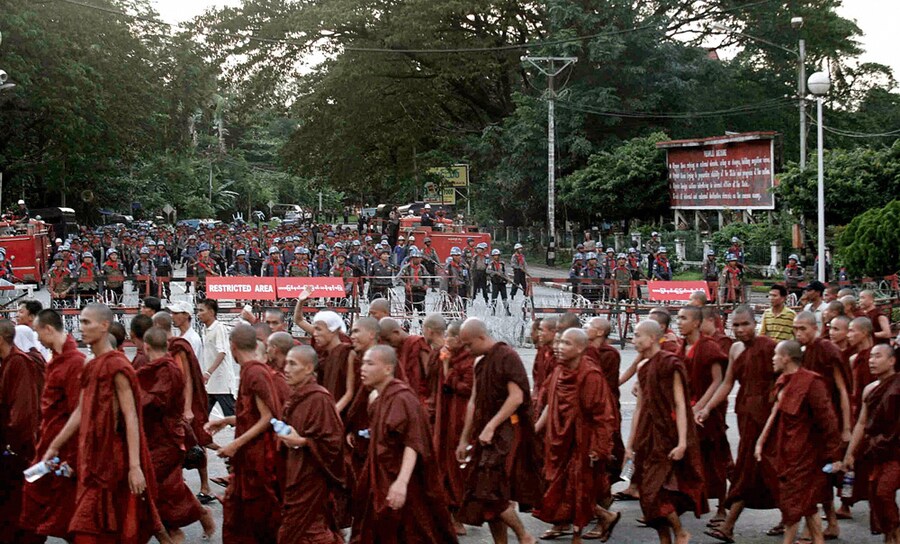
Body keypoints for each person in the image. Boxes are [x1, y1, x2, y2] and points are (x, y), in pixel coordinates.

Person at [42, 304, 170, 544]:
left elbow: (131, 416)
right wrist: (54, 446)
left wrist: (135, 466)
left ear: (104, 326)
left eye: (87, 322)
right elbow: (82, 410)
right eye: (80, 322)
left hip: (114, 460)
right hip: (93, 457)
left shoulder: (117, 366)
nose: (82, 328)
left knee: (104, 529)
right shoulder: (90, 365)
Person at [351, 345, 458, 543]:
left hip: (403, 481)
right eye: (363, 363)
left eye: (370, 363)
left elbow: (413, 442)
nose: (362, 369)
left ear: (388, 368)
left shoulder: (402, 398)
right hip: (382, 478)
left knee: (413, 532)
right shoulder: (380, 398)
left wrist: (401, 482)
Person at [696, 306, 779, 542]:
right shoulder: (734, 349)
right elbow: (727, 383)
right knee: (755, 467)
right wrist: (708, 408)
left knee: (755, 467)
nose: (741, 330)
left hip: (768, 412)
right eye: (736, 325)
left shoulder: (770, 347)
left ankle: (729, 524)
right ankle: (790, 517)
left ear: (756, 324)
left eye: (745, 324)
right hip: (746, 412)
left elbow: (782, 379)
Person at [456, 318, 541, 544]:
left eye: (468, 344)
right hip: (485, 433)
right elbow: (473, 402)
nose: (466, 350)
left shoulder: (507, 357)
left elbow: (516, 397)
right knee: (486, 493)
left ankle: (525, 536)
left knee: (491, 491)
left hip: (507, 432)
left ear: (482, 337)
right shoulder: (479, 363)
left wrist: (492, 425)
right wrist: (464, 439)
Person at [533, 328, 620, 543]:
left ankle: (588, 527)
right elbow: (550, 403)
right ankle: (586, 519)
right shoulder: (558, 371)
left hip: (582, 440)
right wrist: (536, 429)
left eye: (567, 343)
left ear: (581, 348)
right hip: (558, 439)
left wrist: (600, 448)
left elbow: (603, 416)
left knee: (577, 487)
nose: (560, 347)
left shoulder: (590, 375)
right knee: (558, 485)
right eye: (560, 342)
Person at [755, 340, 844, 544]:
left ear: (787, 358)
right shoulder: (783, 381)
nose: (773, 359)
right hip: (785, 450)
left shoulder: (812, 383)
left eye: (776, 355)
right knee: (808, 504)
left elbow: (828, 421)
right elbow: (774, 414)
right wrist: (760, 443)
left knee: (794, 503)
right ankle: (818, 541)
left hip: (806, 454)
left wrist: (835, 456)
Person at [627, 320, 707, 544]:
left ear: (652, 338)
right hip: (647, 435)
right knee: (648, 495)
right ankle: (665, 539)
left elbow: (680, 405)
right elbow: (639, 407)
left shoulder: (670, 363)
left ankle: (680, 531)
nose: (634, 340)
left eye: (637, 336)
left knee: (656, 492)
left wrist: (682, 442)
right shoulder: (643, 367)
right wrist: (630, 444)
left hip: (667, 435)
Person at [205, 324, 283, 544]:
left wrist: (236, 444)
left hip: (259, 454)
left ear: (233, 345)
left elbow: (268, 417)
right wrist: (226, 420)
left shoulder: (255, 372)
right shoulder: (252, 370)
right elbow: (254, 413)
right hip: (251, 454)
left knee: (257, 516)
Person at [138, 327, 216, 541]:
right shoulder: (154, 368)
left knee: (154, 486)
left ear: (146, 346)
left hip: (167, 438)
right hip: (154, 436)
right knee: (168, 488)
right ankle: (181, 525)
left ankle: (171, 530)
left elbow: (156, 400)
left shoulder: (168, 369)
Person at [19, 310, 83, 542]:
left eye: (38, 332)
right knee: (36, 493)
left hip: (63, 452)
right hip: (49, 447)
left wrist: (70, 455)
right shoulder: (55, 359)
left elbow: (79, 413)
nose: (37, 338)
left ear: (48, 329)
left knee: (68, 511)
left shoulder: (75, 362)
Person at [276, 345, 347, 544]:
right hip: (295, 474)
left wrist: (304, 441)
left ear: (308, 368)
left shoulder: (319, 399)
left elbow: (333, 443)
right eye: (286, 362)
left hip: (312, 478)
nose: (286, 369)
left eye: (293, 364)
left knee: (306, 534)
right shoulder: (297, 396)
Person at [793, 311, 853, 539]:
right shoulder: (801, 352)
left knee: (822, 474)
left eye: (803, 329)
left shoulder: (828, 350)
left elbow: (843, 390)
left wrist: (846, 427)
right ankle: (832, 524)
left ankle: (812, 529)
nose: (798, 334)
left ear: (815, 328)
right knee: (821, 475)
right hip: (810, 423)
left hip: (831, 421)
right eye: (795, 329)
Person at [676, 306, 731, 523]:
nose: (679, 322)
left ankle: (722, 508)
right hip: (686, 410)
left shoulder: (709, 347)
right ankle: (688, 500)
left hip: (707, 412)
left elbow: (718, 380)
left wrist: (700, 407)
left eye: (683, 318)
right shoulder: (682, 347)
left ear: (697, 323)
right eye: (678, 318)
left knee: (716, 460)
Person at [842, 344, 899, 543]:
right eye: (871, 357)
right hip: (876, 449)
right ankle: (889, 535)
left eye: (877, 357)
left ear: (892, 361)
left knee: (884, 492)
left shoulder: (898, 386)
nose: (871, 361)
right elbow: (862, 423)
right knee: (875, 495)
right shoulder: (870, 389)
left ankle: (896, 534)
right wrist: (850, 453)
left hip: (896, 450)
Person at [0, 318, 45, 544]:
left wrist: (10, 445)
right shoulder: (7, 362)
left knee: (19, 508)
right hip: (13, 450)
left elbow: (23, 413)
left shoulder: (19, 362)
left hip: (19, 452)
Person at [433, 320, 475, 535]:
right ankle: (447, 514)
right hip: (444, 414)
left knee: (457, 468)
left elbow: (466, 388)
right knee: (442, 462)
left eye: (449, 335)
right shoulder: (446, 354)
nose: (446, 339)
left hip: (459, 417)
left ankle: (458, 515)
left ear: (459, 339)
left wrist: (448, 369)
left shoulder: (469, 361)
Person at [379, 317, 431, 404]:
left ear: (396, 332)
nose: (388, 344)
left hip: (422, 397)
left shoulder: (417, 343)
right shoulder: (397, 349)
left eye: (388, 340)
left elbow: (429, 373)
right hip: (403, 397)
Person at [487, 248, 512, 316]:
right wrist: (495, 272)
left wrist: (508, 278)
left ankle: (507, 311)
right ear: (493, 256)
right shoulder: (491, 264)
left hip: (502, 283)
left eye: (497, 255)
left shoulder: (502, 264)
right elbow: (487, 271)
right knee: (494, 298)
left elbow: (505, 272)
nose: (496, 257)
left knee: (504, 298)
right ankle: (493, 311)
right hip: (495, 283)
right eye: (495, 255)